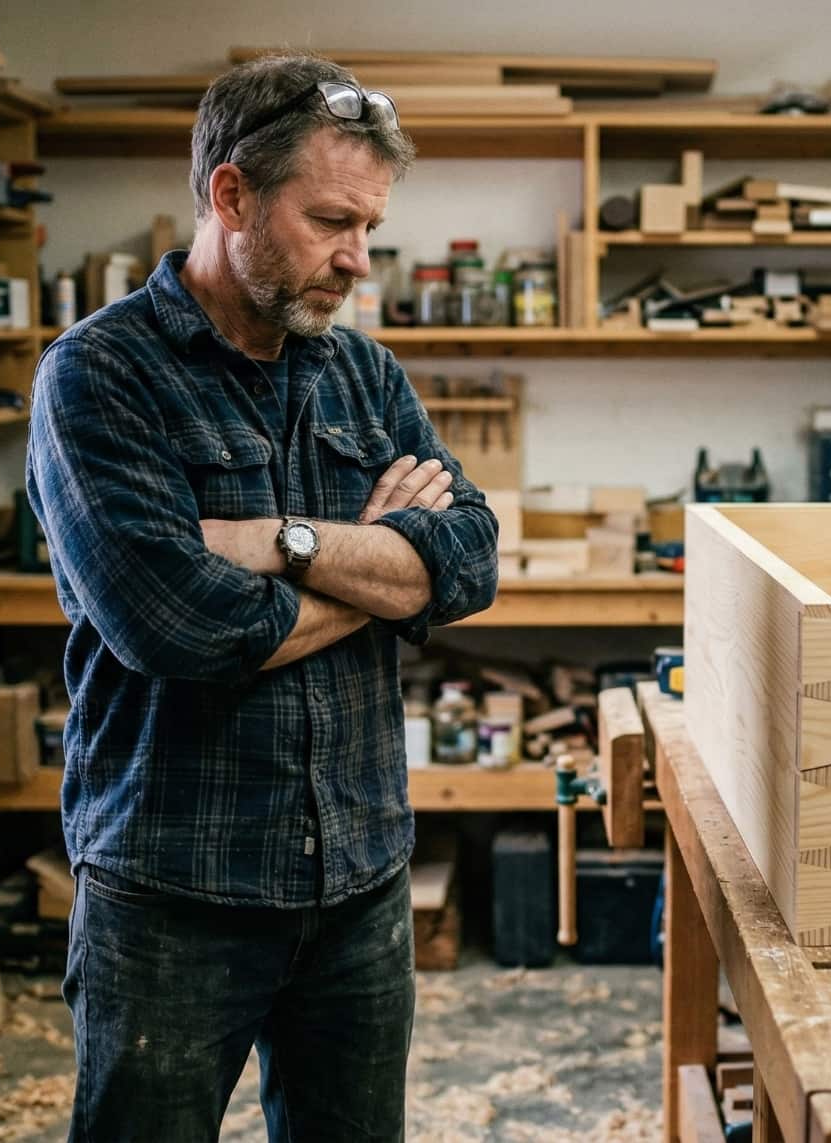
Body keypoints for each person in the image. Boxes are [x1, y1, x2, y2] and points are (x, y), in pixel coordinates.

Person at [25, 52, 499, 1141]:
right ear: (229, 194)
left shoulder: (361, 375)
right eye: (330, 219)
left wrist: (279, 543)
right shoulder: (99, 378)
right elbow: (180, 625)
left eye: (369, 226)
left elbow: (467, 561)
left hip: (360, 882)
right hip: (173, 893)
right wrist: (383, 570)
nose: (357, 259)